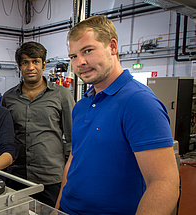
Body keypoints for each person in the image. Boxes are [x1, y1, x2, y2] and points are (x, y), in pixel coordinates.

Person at [56, 15, 180, 214]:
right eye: (73, 56)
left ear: (112, 47)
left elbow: (164, 182)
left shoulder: (139, 102)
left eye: (88, 50)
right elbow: (73, 160)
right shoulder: (82, 105)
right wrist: (58, 206)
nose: (80, 62)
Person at [1, 41, 75, 207]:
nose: (30, 67)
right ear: (19, 66)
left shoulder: (61, 95)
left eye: (35, 61)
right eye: (25, 62)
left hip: (51, 177)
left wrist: (69, 175)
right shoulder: (8, 98)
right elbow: (4, 136)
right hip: (16, 175)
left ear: (44, 64)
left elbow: (73, 138)